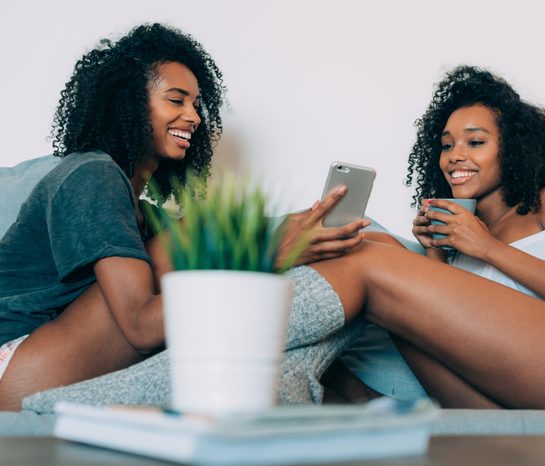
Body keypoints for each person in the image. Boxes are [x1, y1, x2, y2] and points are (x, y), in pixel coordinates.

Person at [0, 23, 367, 410]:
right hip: (17, 368)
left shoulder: (150, 212)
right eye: (176, 101)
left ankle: (363, 404)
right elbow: (141, 326)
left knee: (287, 268)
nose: (193, 117)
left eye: (195, 105)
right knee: (210, 237)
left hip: (57, 364)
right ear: (127, 102)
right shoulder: (92, 173)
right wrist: (261, 261)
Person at [311, 65, 545, 409]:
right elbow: (464, 338)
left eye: (475, 142)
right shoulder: (458, 241)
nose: (455, 155)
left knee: (372, 251)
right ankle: (381, 406)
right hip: (504, 400)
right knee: (371, 245)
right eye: (447, 145)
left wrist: (486, 246)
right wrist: (436, 255)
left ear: (512, 150)